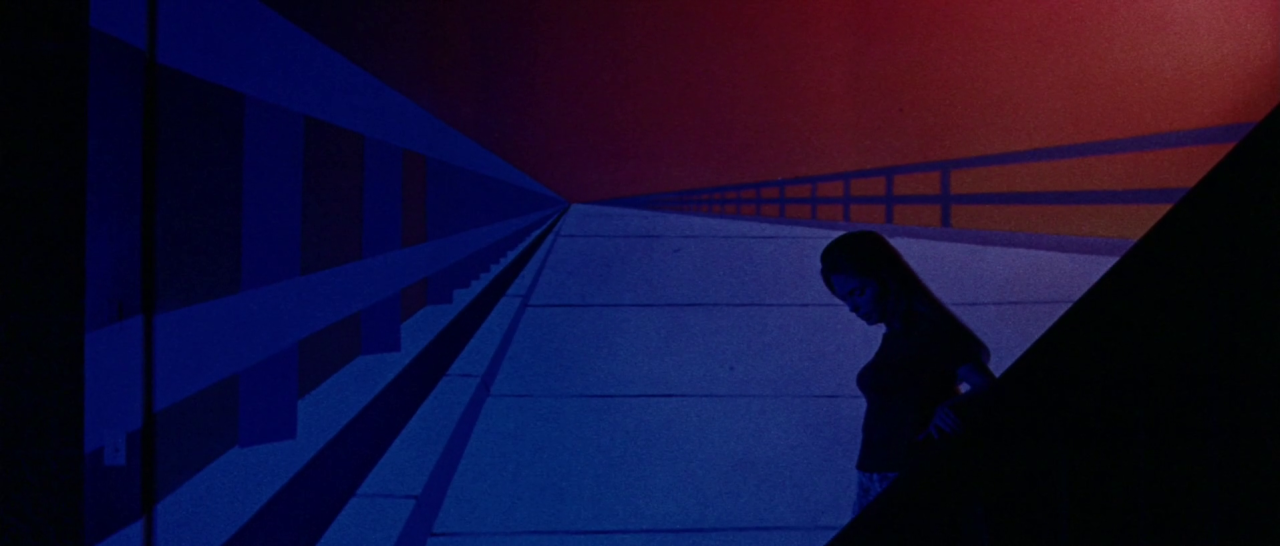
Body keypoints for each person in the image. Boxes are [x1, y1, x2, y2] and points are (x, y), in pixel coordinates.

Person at [820, 230, 997, 517]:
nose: (853, 308)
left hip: (906, 473)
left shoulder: (928, 332)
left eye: (858, 292)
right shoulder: (899, 336)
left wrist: (952, 406)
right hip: (877, 473)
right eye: (845, 299)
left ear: (885, 279)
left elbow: (986, 385)